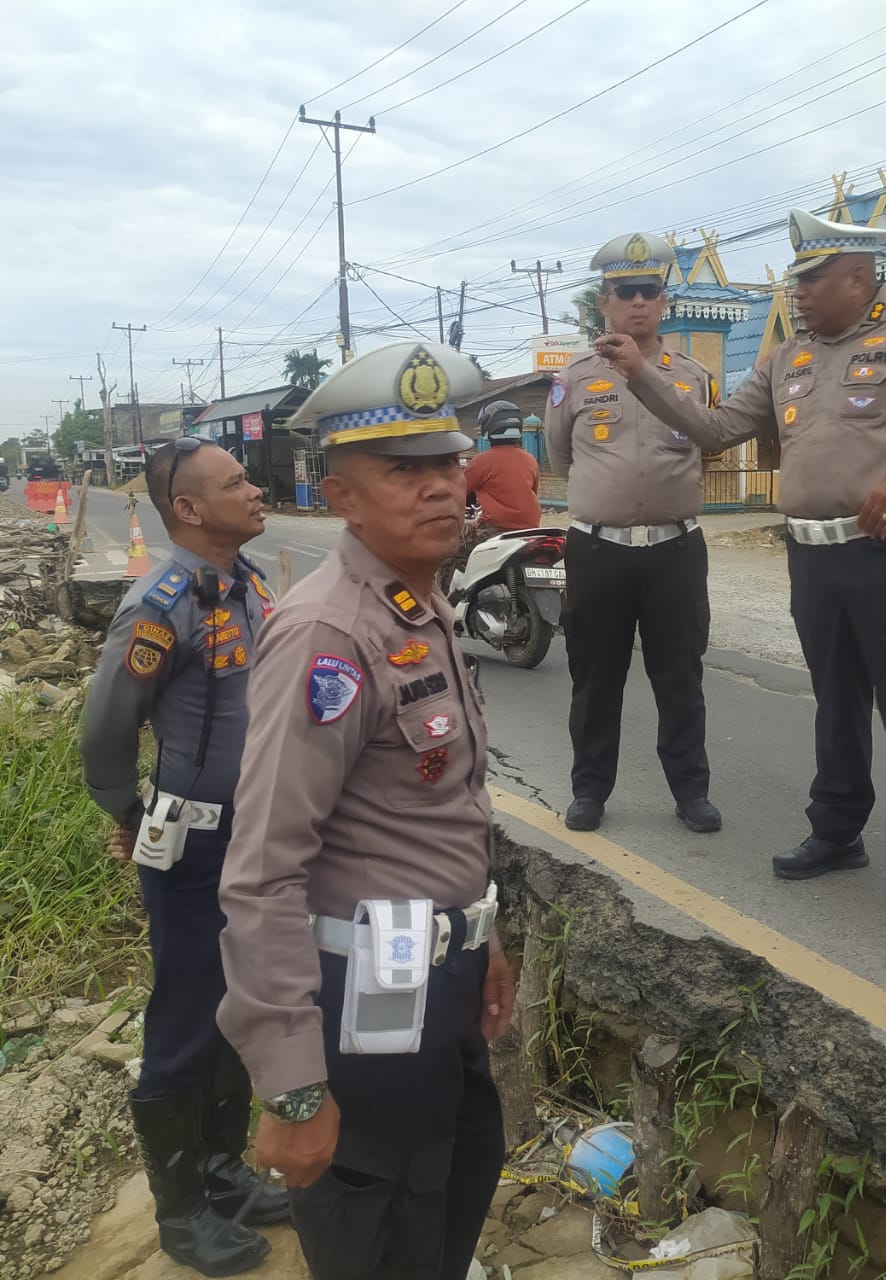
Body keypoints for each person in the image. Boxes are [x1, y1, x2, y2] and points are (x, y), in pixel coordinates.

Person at [216, 340, 515, 1280]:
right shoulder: (328, 633)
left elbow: (435, 814)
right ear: (339, 493)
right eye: (404, 470)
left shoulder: (415, 602)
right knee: (384, 1231)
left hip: (440, 985)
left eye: (448, 463)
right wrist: (295, 1088)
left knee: (451, 1194)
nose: (440, 489)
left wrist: (485, 934)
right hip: (368, 1008)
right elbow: (263, 867)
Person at [596, 209, 886, 922]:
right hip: (814, 555)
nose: (796, 291)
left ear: (859, 277)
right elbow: (717, 430)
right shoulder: (786, 358)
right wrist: (642, 375)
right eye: (796, 277)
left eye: (811, 278)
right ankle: (837, 832)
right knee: (836, 701)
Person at [80, 439, 286, 1276]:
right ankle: (181, 1212)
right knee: (184, 1019)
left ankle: (224, 1171)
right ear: (190, 510)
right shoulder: (161, 603)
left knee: (237, 1008)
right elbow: (105, 727)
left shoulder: (248, 584)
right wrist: (128, 810)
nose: (256, 488)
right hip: (192, 845)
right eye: (236, 481)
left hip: (255, 840)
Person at [544, 231, 722, 836]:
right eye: (626, 292)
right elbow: (561, 455)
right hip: (598, 550)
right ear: (605, 302)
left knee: (681, 675)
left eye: (650, 291)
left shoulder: (693, 377)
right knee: (594, 676)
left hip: (676, 549)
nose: (638, 302)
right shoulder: (574, 377)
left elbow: (708, 445)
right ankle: (589, 791)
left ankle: (691, 792)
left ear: (664, 301)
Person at [441, 399, 542, 590]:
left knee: (446, 546)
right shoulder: (530, 460)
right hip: (531, 531)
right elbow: (532, 493)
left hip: (495, 531)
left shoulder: (483, 461)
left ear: (489, 427)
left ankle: (438, 605)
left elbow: (457, 491)